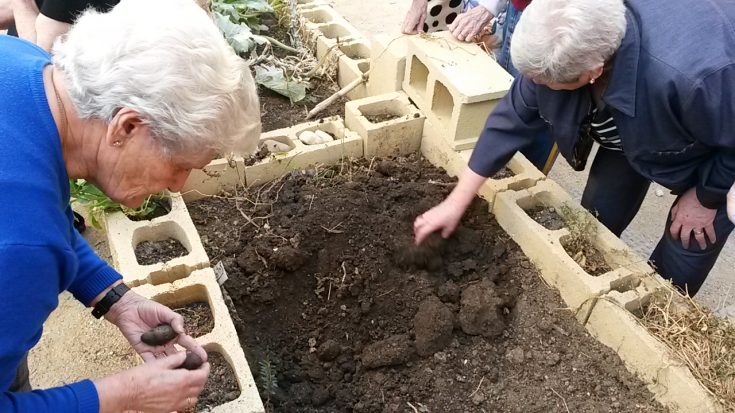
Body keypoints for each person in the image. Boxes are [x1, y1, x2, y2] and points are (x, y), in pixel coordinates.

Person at [0, 0, 261, 411]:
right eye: (180, 165)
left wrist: (116, 299)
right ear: (126, 126)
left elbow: (39, 210)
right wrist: (127, 392)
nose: (178, 185)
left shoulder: (22, 64)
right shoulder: (23, 250)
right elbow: (27, 235)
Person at [414, 0, 735, 297]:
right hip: (638, 133)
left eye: (544, 82)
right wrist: (456, 202)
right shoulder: (568, 32)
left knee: (687, 242)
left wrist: (707, 196)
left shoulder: (698, 79)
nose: (535, 86)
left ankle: (654, 307)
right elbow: (511, 118)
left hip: (718, 148)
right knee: (596, 217)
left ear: (593, 73)